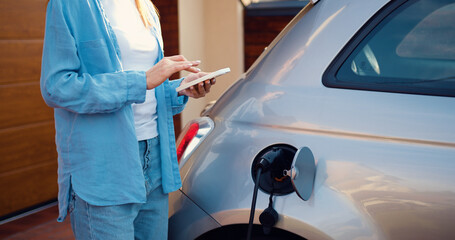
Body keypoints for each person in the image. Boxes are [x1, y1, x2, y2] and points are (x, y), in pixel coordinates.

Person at [40, 0, 215, 239]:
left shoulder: (145, 6)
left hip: (154, 159)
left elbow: (148, 89)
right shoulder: (70, 4)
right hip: (103, 166)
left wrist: (179, 89)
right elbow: (56, 87)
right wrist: (141, 81)